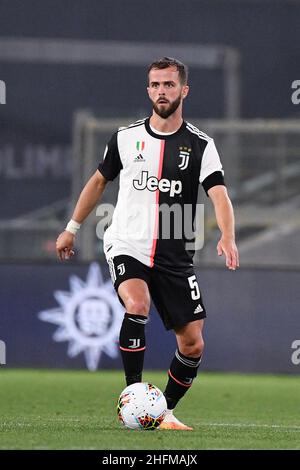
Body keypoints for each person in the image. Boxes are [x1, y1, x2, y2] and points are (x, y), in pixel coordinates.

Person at [56, 57, 239, 430]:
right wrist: (72, 227)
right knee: (136, 304)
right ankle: (133, 399)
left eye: (169, 85)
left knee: (193, 344)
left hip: (174, 255)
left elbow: (219, 195)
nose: (161, 92)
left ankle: (163, 410)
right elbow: (97, 182)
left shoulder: (201, 145)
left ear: (183, 90)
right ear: (148, 90)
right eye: (155, 85)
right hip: (127, 242)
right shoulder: (125, 138)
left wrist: (228, 235)